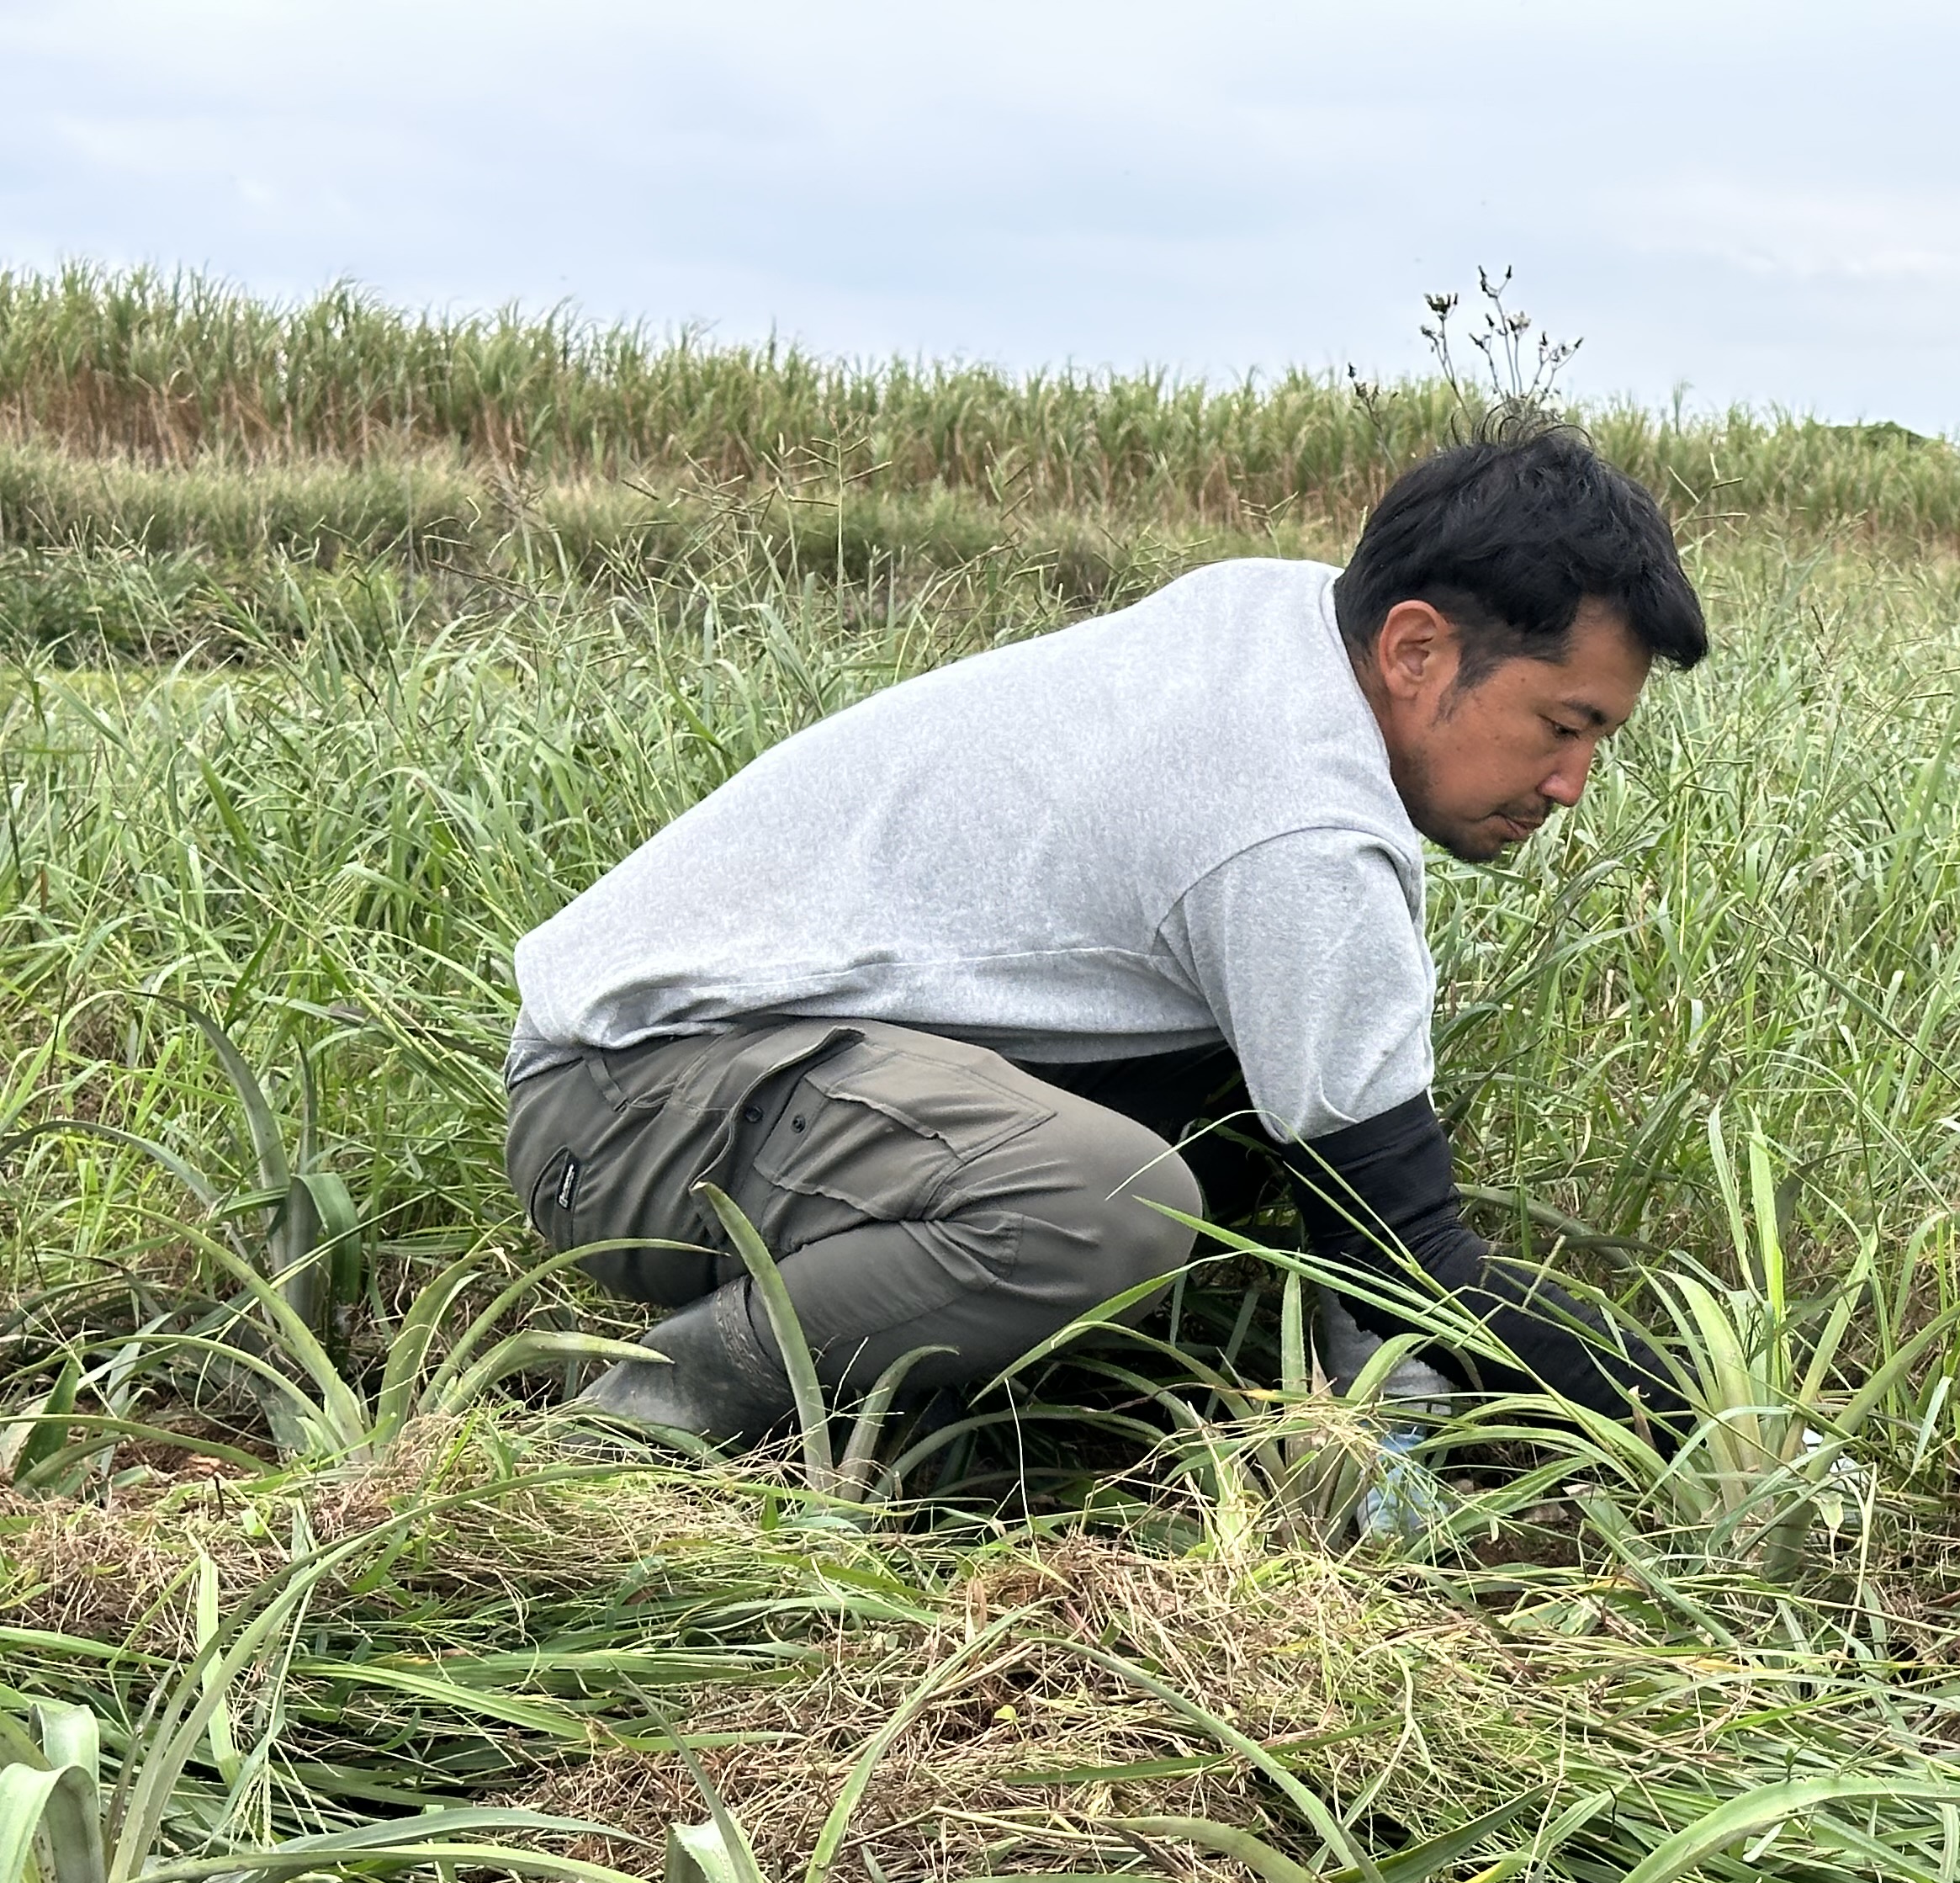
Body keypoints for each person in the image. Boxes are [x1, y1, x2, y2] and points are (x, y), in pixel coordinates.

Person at [502, 422, 1703, 1444]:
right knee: (1101, 1206)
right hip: (625, 1100)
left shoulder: (1291, 627)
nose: (1571, 785)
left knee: (1281, 1102)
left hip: (767, 1066)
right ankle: (642, 1419)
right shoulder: (1290, 819)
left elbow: (1357, 1196)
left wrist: (1385, 1414)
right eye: (1562, 727)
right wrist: (1711, 1425)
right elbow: (1406, 1260)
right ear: (1416, 649)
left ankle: (909, 1385)